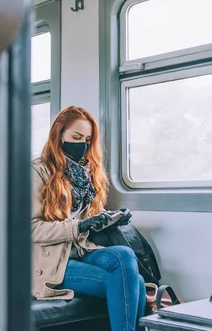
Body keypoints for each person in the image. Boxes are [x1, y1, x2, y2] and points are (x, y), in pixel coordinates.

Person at [31, 106, 146, 331]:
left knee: (124, 254)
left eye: (87, 139)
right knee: (136, 284)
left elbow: (87, 217)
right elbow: (31, 228)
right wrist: (79, 226)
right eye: (76, 137)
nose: (82, 144)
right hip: (48, 262)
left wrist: (111, 218)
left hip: (80, 250)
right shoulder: (37, 171)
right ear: (59, 134)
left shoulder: (84, 173)